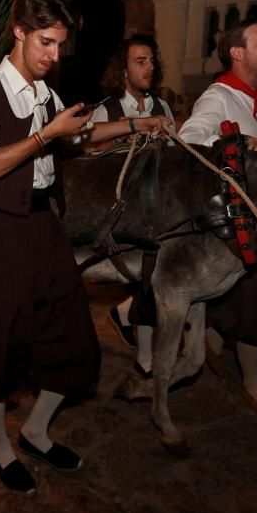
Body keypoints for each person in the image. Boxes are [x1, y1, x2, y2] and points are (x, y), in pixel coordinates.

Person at [0, 0, 169, 494]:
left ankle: (36, 430)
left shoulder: (47, 93)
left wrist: (138, 122)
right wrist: (46, 135)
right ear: (19, 32)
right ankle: (1, 447)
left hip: (44, 226)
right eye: (45, 42)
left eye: (60, 45)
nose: (53, 55)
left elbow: (82, 135)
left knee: (71, 341)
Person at [178, 19, 257, 426]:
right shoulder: (220, 96)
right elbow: (189, 140)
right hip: (236, 226)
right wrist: (235, 144)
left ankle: (211, 338)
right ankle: (252, 380)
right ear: (237, 52)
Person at [92, 35, 174, 377]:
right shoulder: (107, 109)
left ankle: (127, 316)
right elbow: (91, 148)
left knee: (155, 272)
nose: (149, 67)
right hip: (116, 215)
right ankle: (142, 350)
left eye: (151, 61)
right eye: (140, 61)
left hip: (157, 206)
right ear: (123, 70)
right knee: (146, 273)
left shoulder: (162, 107)